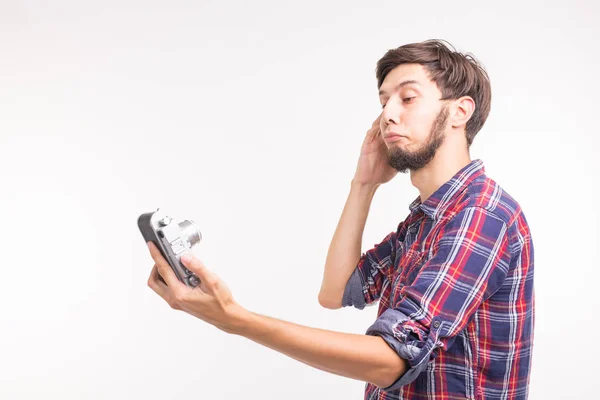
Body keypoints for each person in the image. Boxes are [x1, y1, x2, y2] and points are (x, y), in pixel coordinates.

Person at [146, 39, 535, 400]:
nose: (388, 115)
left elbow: (391, 359)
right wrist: (363, 184)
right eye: (383, 102)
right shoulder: (426, 218)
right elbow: (335, 292)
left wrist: (236, 319)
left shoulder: (481, 216)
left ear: (459, 111)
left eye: (407, 98)